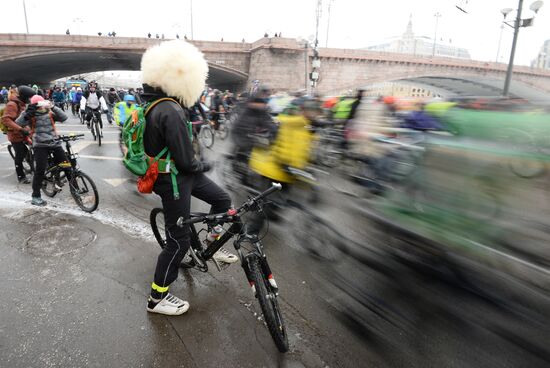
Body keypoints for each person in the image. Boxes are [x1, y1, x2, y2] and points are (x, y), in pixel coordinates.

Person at [140, 39, 237, 316]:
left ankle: (212, 244)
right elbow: (185, 160)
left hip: (178, 176)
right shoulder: (169, 109)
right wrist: (203, 165)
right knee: (178, 240)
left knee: (222, 199)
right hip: (174, 180)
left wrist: (194, 166)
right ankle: (157, 298)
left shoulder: (154, 104)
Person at [16, 95, 68, 206]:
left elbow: (64, 117)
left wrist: (53, 107)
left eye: (42, 104)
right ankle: (35, 196)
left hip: (54, 142)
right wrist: (27, 113)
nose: (41, 107)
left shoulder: (50, 112)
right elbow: (19, 123)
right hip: (40, 145)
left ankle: (74, 188)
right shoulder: (31, 114)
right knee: (40, 170)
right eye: (38, 105)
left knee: (66, 164)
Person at [2, 85, 35, 184]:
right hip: (15, 134)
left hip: (24, 132)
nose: (30, 100)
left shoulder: (22, 103)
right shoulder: (12, 104)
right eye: (29, 97)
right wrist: (20, 129)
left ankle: (33, 167)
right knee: (20, 154)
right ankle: (21, 176)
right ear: (24, 96)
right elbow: (6, 120)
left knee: (31, 151)